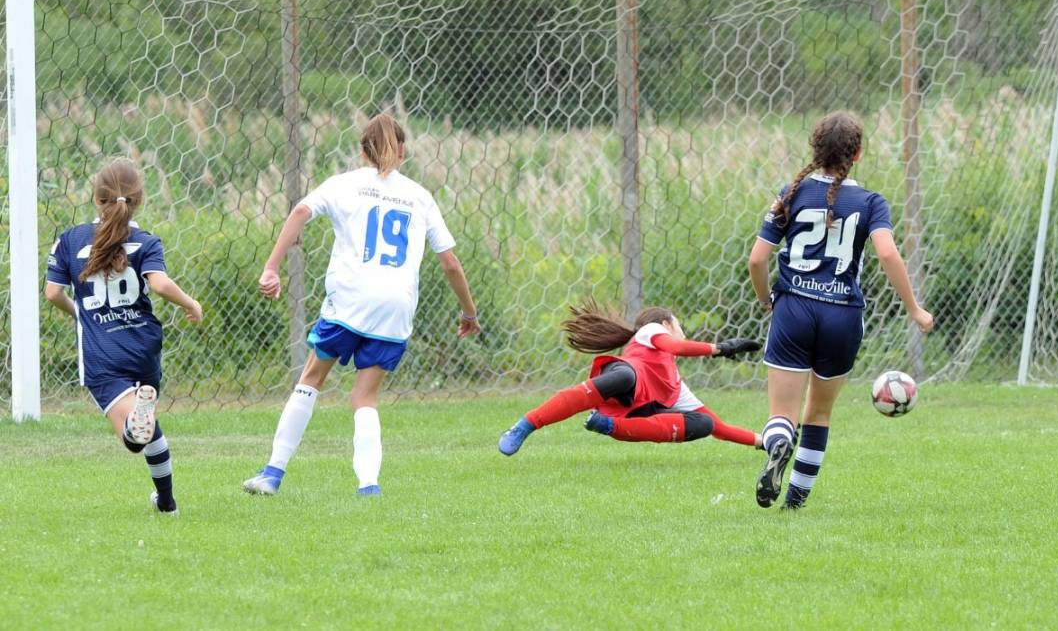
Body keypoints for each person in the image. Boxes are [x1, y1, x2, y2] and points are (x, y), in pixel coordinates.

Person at [243, 113, 480, 498]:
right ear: (403, 150)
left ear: (362, 151)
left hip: (349, 301)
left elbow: (301, 211)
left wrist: (271, 267)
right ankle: (368, 486)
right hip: (395, 308)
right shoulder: (419, 196)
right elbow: (450, 262)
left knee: (311, 379)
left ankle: (272, 473)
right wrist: (469, 312)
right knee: (364, 397)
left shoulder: (345, 184)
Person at [747, 111, 934, 510]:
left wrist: (767, 300)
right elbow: (886, 251)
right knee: (818, 412)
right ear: (858, 154)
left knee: (783, 413)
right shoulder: (870, 202)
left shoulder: (791, 193)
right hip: (842, 315)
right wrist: (915, 309)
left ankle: (778, 444)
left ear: (814, 150)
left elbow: (757, 260)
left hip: (794, 309)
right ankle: (794, 503)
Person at [44, 160, 203, 515]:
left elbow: (53, 293)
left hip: (104, 353)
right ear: (139, 200)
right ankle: (166, 502)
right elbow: (159, 284)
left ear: (96, 199)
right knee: (147, 427)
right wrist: (190, 303)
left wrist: (81, 315)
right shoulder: (145, 240)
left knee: (135, 438)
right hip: (143, 346)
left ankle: (138, 429)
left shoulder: (70, 241)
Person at [498, 299, 762, 455]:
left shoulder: (677, 387)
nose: (681, 330)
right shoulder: (650, 329)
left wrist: (765, 441)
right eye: (679, 324)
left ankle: (606, 425)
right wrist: (721, 348)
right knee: (625, 376)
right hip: (623, 378)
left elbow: (721, 429)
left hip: (629, 414)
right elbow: (678, 347)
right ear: (667, 324)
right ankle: (526, 424)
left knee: (703, 424)